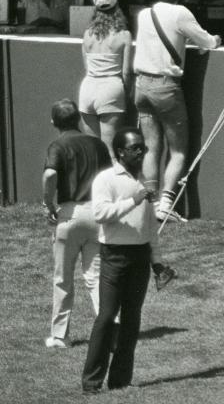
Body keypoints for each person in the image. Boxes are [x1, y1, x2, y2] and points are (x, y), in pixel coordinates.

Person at [81, 128, 175, 393]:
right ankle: (91, 382)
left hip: (139, 256)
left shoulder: (143, 182)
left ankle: (120, 380)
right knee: (107, 316)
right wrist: (133, 200)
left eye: (143, 147)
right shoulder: (106, 179)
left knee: (132, 319)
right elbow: (101, 213)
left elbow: (149, 229)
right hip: (114, 255)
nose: (141, 152)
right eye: (135, 148)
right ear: (120, 151)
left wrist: (157, 263)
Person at [133, 0, 220, 223]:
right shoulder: (181, 13)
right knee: (179, 150)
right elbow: (206, 41)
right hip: (166, 86)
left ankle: (151, 200)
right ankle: (167, 203)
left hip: (141, 85)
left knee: (150, 147)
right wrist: (214, 39)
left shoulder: (144, 14)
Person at [41, 99, 111, 349]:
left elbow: (50, 174)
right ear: (79, 120)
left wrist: (49, 205)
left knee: (63, 278)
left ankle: (60, 336)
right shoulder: (98, 144)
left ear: (53, 123)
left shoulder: (57, 145)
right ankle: (110, 332)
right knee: (96, 278)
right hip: (98, 214)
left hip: (70, 214)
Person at [79, 0, 132, 158]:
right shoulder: (124, 35)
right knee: (110, 153)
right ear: (117, 5)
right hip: (111, 89)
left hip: (87, 89)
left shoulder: (87, 34)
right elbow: (126, 73)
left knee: (93, 153)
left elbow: (87, 67)